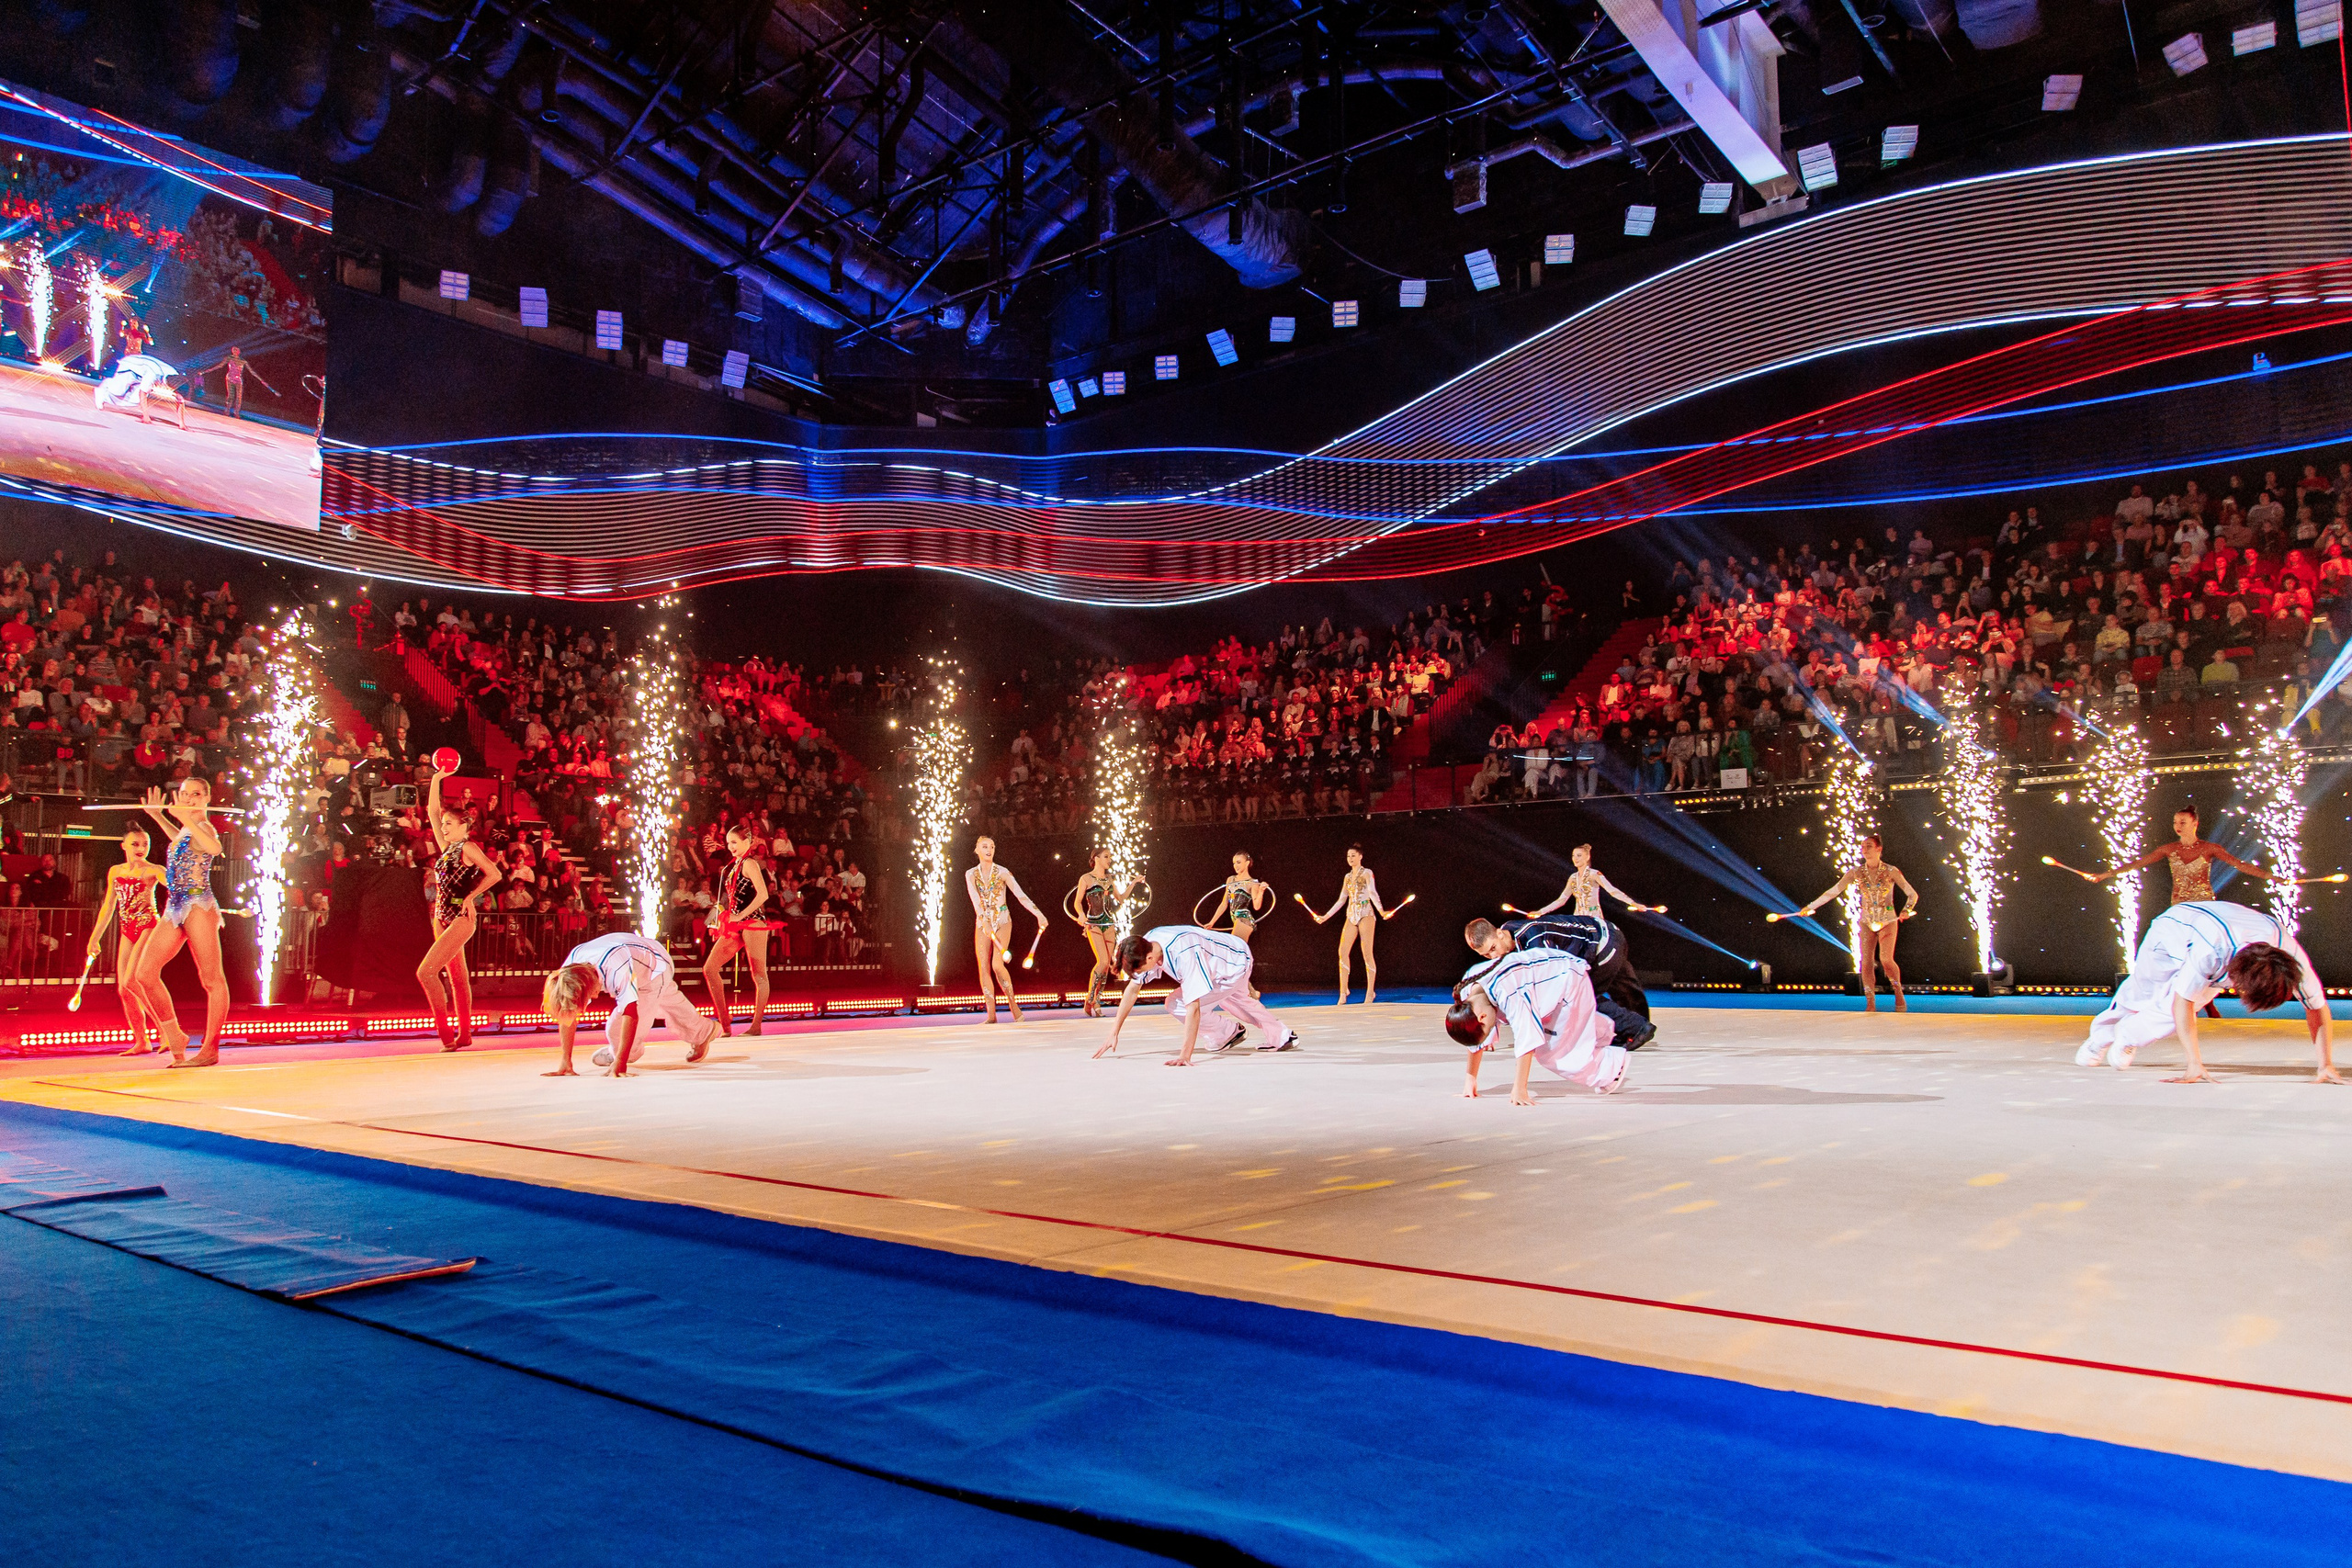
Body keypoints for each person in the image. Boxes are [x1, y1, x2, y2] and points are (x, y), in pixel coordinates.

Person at [2072, 901, 2337, 1083]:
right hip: (2173, 932)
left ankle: (2128, 1037)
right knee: (2142, 993)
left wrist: (2325, 1064)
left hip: (2224, 947)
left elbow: (2317, 1008)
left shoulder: (2292, 960)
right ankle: (2101, 1037)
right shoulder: (2211, 951)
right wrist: (2193, 1064)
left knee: (2175, 1012)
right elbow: (2182, 1002)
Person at [1446, 949, 1631, 1104]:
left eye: (1487, 1029)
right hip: (1552, 980)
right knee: (1560, 1032)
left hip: (1569, 980)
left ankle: (1612, 1068)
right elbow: (1475, 1039)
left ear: (1483, 1017)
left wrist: (1519, 1089)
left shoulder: (1508, 991)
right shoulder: (1466, 992)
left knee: (1552, 1052)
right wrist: (1470, 1079)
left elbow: (1526, 1039)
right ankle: (1601, 1030)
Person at [132, 779, 231, 1067]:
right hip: (175, 905)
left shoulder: (206, 828)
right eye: (185, 794)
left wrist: (186, 815)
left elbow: (212, 847)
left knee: (211, 979)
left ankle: (210, 1049)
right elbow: (181, 840)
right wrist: (158, 816)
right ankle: (174, 1033)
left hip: (198, 904)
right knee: (145, 974)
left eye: (195, 794)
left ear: (207, 797)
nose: (189, 799)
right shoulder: (187, 828)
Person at [1094, 925, 1298, 1066]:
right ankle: (1282, 1036)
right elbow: (1132, 989)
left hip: (1232, 965)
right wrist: (1114, 1031)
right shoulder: (1146, 943)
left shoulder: (1184, 954)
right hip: (1234, 954)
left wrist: (1185, 1055)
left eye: (1139, 970)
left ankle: (1227, 1034)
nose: (1139, 976)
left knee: (1176, 1003)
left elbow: (1193, 1008)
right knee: (1240, 1001)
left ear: (1149, 957)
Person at [541, 930, 718, 1077]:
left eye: (592, 993)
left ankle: (623, 1053)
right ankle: (705, 1031)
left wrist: (620, 1062)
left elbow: (630, 1013)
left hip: (655, 967)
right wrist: (566, 1060)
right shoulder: (569, 971)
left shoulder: (616, 967)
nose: (594, 998)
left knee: (615, 1029)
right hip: (639, 955)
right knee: (669, 1000)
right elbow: (568, 1013)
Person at [413, 764, 502, 1051]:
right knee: (458, 978)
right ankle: (464, 1035)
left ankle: (445, 1035)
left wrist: (470, 897)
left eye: (449, 825)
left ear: (463, 826)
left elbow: (495, 874)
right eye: (443, 825)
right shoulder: (447, 848)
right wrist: (437, 778)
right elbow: (431, 812)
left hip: (460, 917)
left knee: (426, 973)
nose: (443, 827)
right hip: (440, 916)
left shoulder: (468, 848)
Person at [1464, 915, 1655, 1048]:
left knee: (1580, 997)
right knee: (1623, 984)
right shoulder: (1510, 932)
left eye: (1493, 948)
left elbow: (1560, 980)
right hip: (1608, 933)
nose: (1494, 956)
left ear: (1498, 933)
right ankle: (1639, 1026)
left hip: (1602, 943)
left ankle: (1636, 1028)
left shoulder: (1536, 941)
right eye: (1486, 955)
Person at [1781, 835, 1919, 1012]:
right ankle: (1870, 1002)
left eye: (1869, 846)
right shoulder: (1856, 872)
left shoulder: (1891, 871)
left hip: (1888, 920)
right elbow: (1833, 891)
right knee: (1866, 961)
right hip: (1866, 921)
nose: (1865, 849)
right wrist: (1810, 907)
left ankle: (1898, 993)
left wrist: (1906, 909)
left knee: (1885, 959)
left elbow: (1912, 894)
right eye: (1863, 846)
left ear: (1879, 849)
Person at [85, 824, 164, 1055]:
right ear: (124, 846)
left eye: (145, 844)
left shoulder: (153, 870)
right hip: (127, 929)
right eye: (135, 844)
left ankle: (167, 1030)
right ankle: (142, 1040)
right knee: (124, 989)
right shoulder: (116, 871)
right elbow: (109, 906)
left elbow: (169, 882)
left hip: (148, 926)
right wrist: (95, 938)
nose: (141, 848)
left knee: (132, 981)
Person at [2090, 807, 2272, 907]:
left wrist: (2273, 878)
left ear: (2195, 823)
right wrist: (2105, 875)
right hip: (2179, 904)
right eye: (2175, 822)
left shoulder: (2210, 848)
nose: (2178, 825)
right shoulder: (2169, 849)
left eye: (2183, 822)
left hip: (2204, 903)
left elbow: (2239, 865)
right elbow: (2138, 864)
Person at [1308, 844, 1407, 1004]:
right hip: (1351, 914)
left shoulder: (1367, 873)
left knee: (1366, 952)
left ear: (1360, 856)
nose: (1350, 858)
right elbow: (1342, 899)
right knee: (1342, 951)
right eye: (1348, 856)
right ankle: (1343, 991)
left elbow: (1373, 893)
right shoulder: (1347, 877)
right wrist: (1325, 916)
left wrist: (1381, 911)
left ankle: (1370, 992)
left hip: (1366, 913)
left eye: (1353, 855)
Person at [965, 836, 1046, 1023]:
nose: (989, 850)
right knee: (983, 966)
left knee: (996, 965)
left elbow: (1021, 895)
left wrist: (1038, 915)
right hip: (983, 923)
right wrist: (983, 920)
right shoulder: (970, 874)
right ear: (976, 850)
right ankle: (991, 1015)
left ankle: (1013, 1005)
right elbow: (975, 900)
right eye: (984, 846)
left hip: (1002, 921)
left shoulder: (1003, 872)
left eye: (992, 846)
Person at [702, 824, 774, 1036]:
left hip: (754, 923)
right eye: (728, 843)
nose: (731, 847)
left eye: (735, 842)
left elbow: (763, 895)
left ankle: (756, 1025)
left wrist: (740, 916)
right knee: (710, 969)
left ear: (747, 842)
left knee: (759, 974)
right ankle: (724, 1021)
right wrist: (718, 919)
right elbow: (730, 900)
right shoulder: (732, 867)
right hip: (736, 924)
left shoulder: (750, 863)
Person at [1070, 847, 1136, 1017]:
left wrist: (1134, 883)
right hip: (1094, 923)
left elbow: (1120, 899)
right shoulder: (1086, 878)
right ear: (1096, 858)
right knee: (1103, 961)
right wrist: (1081, 914)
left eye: (1110, 857)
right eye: (1106, 856)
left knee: (1107, 966)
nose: (1110, 859)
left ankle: (1097, 1002)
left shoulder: (1109, 879)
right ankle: (1090, 999)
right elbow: (1077, 902)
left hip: (1109, 923)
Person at [1521, 843, 1659, 920]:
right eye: (1574, 856)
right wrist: (1540, 912)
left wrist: (1633, 903)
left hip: (1594, 917)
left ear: (1587, 857)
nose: (1575, 858)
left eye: (1579, 855)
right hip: (1578, 917)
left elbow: (1612, 891)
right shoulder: (1573, 877)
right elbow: (1562, 900)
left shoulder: (1594, 874)